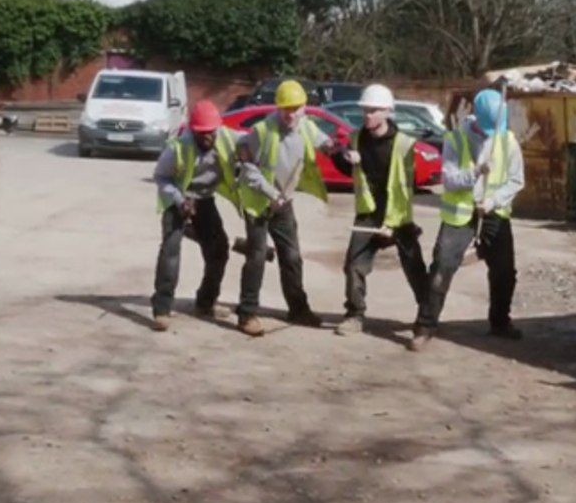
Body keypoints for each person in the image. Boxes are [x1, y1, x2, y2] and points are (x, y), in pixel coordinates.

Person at [234, 79, 353, 336]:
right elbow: (247, 168)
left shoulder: (307, 128)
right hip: (258, 203)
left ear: (304, 108)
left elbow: (328, 146)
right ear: (278, 108)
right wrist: (270, 193)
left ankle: (298, 310)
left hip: (283, 203)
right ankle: (247, 314)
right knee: (256, 258)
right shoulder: (262, 132)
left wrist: (341, 149)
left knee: (292, 257)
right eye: (286, 108)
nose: (291, 114)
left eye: (296, 108)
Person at [410, 87, 525, 351]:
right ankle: (425, 326)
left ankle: (500, 322)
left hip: (493, 212)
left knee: (504, 272)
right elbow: (449, 181)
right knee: (441, 269)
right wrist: (474, 173)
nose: (491, 134)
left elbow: (516, 180)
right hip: (460, 214)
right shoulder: (456, 138)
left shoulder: (507, 140)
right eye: (488, 128)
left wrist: (493, 200)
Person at [333, 84, 430, 337]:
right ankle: (354, 314)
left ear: (388, 112)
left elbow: (406, 188)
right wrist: (341, 158)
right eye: (365, 110)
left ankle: (427, 318)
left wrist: (393, 224)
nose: (368, 116)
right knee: (354, 265)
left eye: (374, 111)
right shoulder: (356, 139)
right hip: (368, 212)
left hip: (397, 215)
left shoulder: (404, 144)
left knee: (415, 267)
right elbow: (350, 172)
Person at [149, 99, 241, 332]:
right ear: (192, 130)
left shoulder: (228, 138)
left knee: (219, 250)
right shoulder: (178, 147)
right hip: (178, 199)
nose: (207, 138)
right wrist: (180, 200)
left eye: (211, 133)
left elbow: (252, 139)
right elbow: (160, 177)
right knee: (171, 250)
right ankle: (162, 308)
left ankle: (205, 302)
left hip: (205, 199)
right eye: (201, 134)